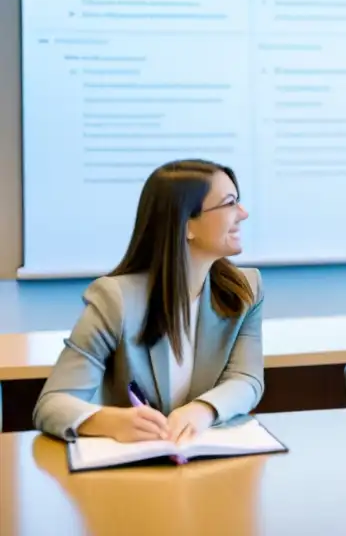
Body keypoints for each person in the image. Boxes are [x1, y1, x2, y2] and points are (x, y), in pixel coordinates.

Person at [33, 159, 265, 443]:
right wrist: (109, 421)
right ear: (186, 225)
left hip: (206, 463)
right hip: (133, 471)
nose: (243, 213)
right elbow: (52, 404)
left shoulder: (245, 290)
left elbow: (246, 379)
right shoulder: (114, 300)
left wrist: (202, 410)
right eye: (229, 203)